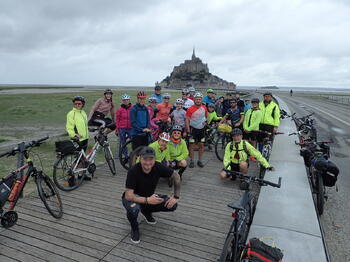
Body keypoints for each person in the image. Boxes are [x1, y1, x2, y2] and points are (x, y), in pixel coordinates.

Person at [122, 146, 181, 243]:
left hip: (149, 197)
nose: (148, 163)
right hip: (134, 198)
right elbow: (128, 196)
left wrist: (176, 197)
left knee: (173, 205)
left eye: (151, 159)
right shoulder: (133, 171)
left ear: (155, 159)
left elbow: (176, 176)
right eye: (145, 159)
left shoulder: (158, 166)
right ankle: (134, 228)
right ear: (140, 158)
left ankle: (146, 211)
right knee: (134, 210)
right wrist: (147, 200)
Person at [185, 92, 209, 168]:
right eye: (197, 99)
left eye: (199, 99)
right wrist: (188, 130)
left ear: (201, 100)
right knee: (192, 145)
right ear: (194, 100)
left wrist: (206, 122)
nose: (198, 101)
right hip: (193, 129)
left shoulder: (204, 107)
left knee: (201, 145)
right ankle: (192, 160)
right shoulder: (190, 109)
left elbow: (206, 116)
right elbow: (187, 120)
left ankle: (200, 160)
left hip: (202, 129)